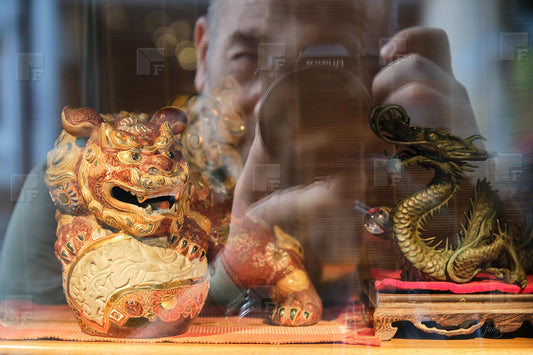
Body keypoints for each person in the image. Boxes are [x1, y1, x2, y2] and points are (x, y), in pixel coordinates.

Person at [0, 0, 479, 315]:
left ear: (378, 68)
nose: (274, 97)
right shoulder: (100, 177)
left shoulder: (395, 166)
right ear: (204, 51)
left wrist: (466, 177)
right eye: (250, 59)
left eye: (320, 67)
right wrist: (234, 269)